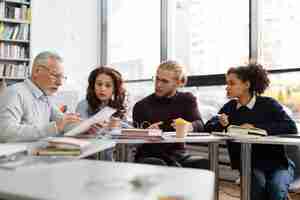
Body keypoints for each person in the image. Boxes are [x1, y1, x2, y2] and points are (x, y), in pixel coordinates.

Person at [205, 63, 297, 200]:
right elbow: (208, 126)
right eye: (227, 83)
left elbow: (290, 126)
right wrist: (220, 123)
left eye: (231, 83)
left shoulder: (269, 104)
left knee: (275, 189)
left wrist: (257, 128)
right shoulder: (229, 107)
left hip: (278, 164)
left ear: (246, 85)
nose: (227, 87)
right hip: (250, 165)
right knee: (258, 189)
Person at [132, 60, 206, 168]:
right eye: (157, 79)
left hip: (178, 155)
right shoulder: (141, 106)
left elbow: (200, 124)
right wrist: (146, 133)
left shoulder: (187, 99)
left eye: (164, 81)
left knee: (203, 163)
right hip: (149, 156)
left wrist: (189, 126)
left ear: (178, 83)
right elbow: (135, 140)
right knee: (159, 164)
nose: (158, 84)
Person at [0, 51, 81, 142]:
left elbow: (64, 122)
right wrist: (54, 127)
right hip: (17, 155)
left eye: (62, 77)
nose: (60, 83)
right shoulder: (14, 93)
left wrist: (86, 126)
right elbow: (5, 133)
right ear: (37, 71)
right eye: (55, 75)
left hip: (38, 153)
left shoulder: (45, 97)